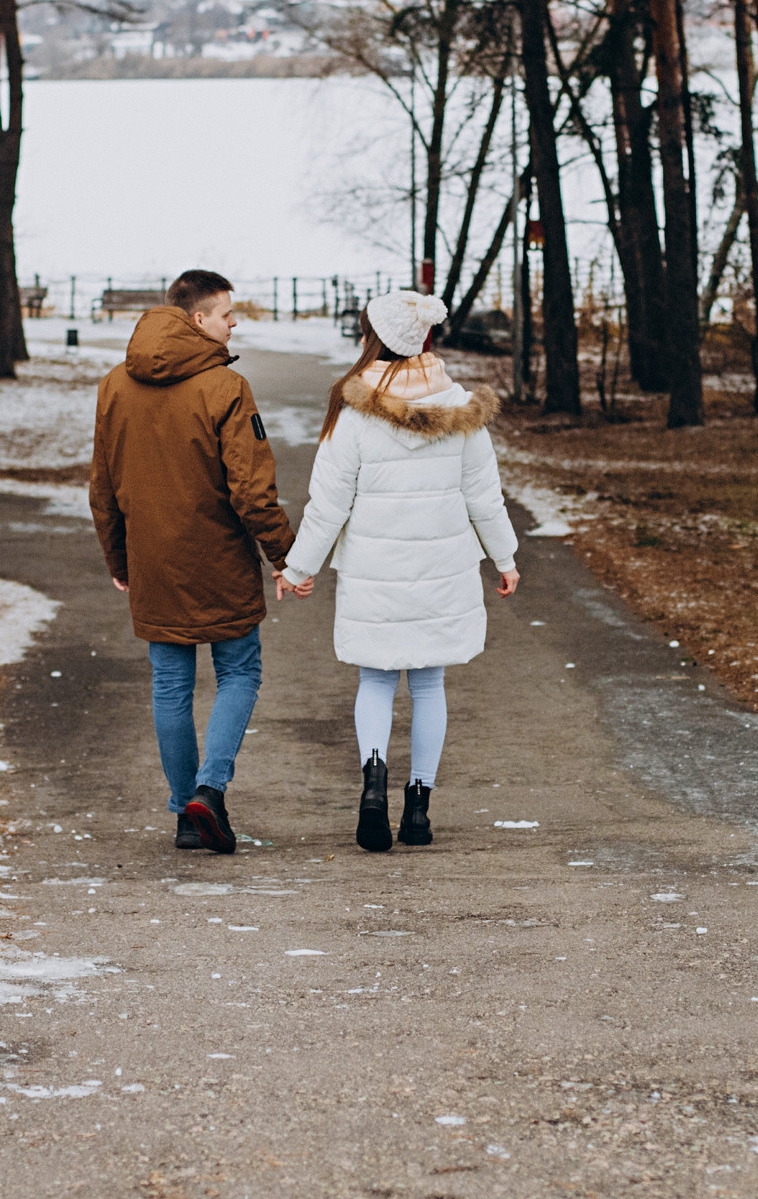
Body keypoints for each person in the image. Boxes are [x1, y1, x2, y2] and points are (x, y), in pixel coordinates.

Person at [279, 290, 519, 851]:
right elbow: (485, 497)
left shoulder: (355, 411)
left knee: (376, 680)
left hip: (374, 571)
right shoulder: (462, 412)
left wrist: (298, 568)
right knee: (430, 684)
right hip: (445, 570)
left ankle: (372, 789)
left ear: (372, 338)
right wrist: (504, 559)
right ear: (426, 339)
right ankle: (418, 809)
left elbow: (329, 501)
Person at [88, 269, 296, 855]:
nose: (234, 325)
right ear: (197, 319)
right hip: (220, 559)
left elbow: (102, 485)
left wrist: (118, 555)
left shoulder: (113, 386)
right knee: (239, 672)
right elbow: (253, 493)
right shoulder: (225, 388)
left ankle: (185, 813)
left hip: (152, 559)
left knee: (170, 685)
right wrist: (285, 556)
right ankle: (211, 788)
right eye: (227, 314)